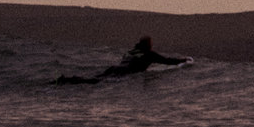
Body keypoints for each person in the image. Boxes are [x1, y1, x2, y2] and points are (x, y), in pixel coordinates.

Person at [55, 36, 191, 85]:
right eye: (151, 43)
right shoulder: (149, 54)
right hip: (124, 72)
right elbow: (167, 61)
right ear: (148, 45)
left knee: (95, 79)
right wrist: (184, 60)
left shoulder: (132, 51)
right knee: (94, 82)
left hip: (115, 68)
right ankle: (68, 80)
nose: (152, 45)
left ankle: (67, 80)